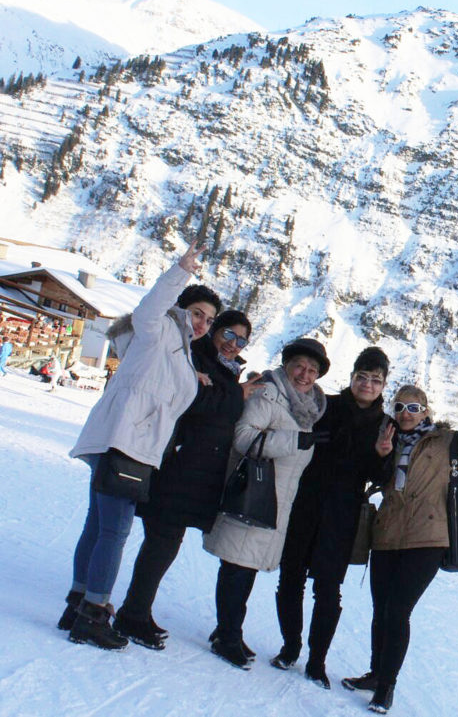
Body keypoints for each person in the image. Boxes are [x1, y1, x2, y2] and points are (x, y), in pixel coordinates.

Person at [59, 242, 220, 650]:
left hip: (124, 441)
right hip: (126, 442)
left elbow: (163, 384)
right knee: (115, 530)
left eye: (209, 319)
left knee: (97, 525)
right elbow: (150, 308)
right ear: (182, 308)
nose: (202, 323)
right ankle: (94, 614)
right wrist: (180, 271)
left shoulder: (181, 351)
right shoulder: (159, 326)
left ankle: (77, 603)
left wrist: (195, 379)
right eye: (197, 313)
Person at [342, 379, 458, 714]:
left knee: (398, 611)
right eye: (400, 407)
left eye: (414, 408)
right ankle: (375, 673)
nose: (406, 413)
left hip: (427, 538)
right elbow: (368, 474)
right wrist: (379, 453)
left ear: (426, 411)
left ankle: (386, 687)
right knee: (381, 611)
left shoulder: (446, 441)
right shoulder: (386, 438)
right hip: (386, 535)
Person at [113, 310, 262, 649]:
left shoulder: (223, 368)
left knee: (165, 544)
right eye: (228, 334)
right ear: (215, 332)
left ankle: (137, 609)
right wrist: (236, 396)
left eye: (241, 340)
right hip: (179, 467)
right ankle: (131, 614)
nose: (232, 344)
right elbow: (193, 400)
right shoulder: (195, 358)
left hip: (195, 471)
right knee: (161, 543)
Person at [202, 337, 329, 670]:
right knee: (237, 568)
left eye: (312, 369)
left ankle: (228, 630)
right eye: (300, 365)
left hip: (273, 501)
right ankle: (227, 635)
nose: (305, 374)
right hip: (252, 494)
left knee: (244, 569)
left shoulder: (307, 409)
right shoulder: (269, 394)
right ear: (287, 365)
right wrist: (293, 440)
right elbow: (243, 437)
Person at [271, 346, 391, 689]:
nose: (367, 384)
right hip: (305, 503)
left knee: (328, 589)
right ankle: (290, 646)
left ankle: (316, 660)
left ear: (383, 385)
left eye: (375, 379)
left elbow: (380, 479)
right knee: (290, 578)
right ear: (352, 378)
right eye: (362, 377)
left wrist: (382, 457)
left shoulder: (385, 425)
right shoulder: (327, 406)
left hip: (343, 514)